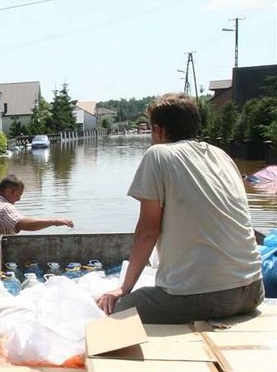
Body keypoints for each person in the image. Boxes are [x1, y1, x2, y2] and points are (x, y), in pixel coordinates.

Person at [97, 93, 263, 323]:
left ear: (157, 130)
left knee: (114, 310)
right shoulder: (222, 155)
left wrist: (123, 288)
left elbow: (147, 232)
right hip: (253, 291)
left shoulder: (158, 155)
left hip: (209, 297)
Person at [0, 174, 74, 305]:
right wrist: (54, 221)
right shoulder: (4, 208)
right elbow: (22, 223)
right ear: (8, 191)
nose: (19, 199)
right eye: (18, 194)